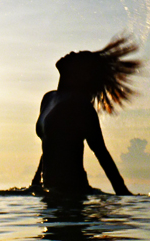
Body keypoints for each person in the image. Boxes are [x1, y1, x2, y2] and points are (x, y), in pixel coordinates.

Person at [31, 34, 142, 195]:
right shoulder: (48, 98)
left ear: (82, 73)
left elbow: (101, 152)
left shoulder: (80, 106)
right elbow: (50, 145)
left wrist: (122, 192)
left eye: (76, 57)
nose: (71, 53)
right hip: (50, 195)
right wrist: (35, 183)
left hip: (73, 194)